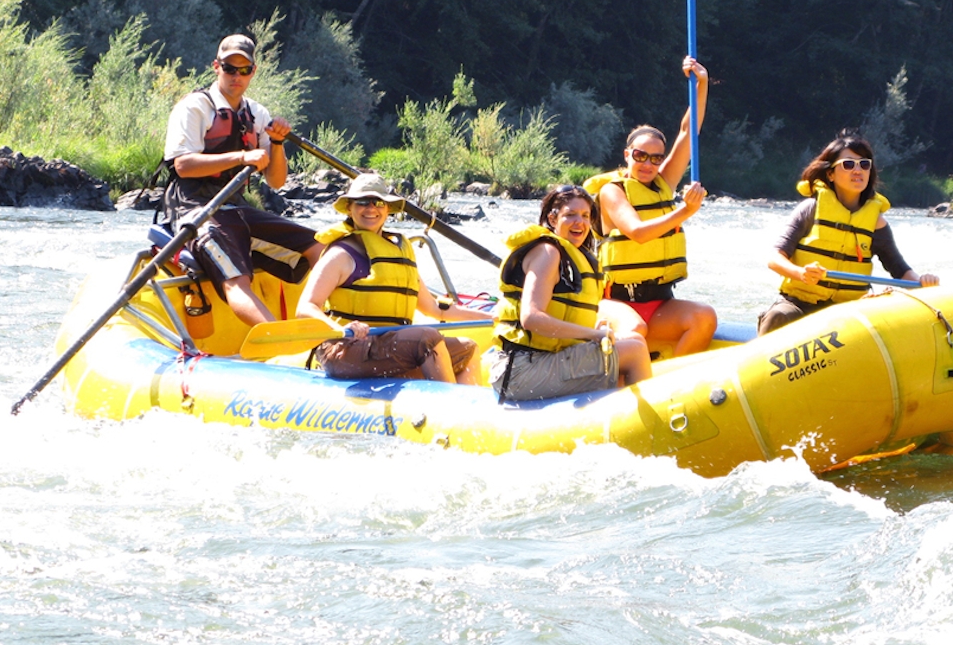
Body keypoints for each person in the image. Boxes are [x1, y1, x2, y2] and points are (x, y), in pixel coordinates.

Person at [163, 34, 323, 326]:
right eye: (229, 68)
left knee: (318, 246)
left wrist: (276, 144)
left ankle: (328, 321)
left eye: (244, 70)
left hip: (235, 204)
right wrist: (240, 157)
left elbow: (276, 181)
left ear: (253, 72)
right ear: (216, 67)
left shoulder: (256, 113)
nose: (237, 76)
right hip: (194, 205)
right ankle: (277, 339)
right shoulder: (195, 107)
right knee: (236, 278)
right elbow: (183, 165)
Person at [295, 173, 484, 384]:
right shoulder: (340, 254)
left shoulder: (397, 253)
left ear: (387, 209)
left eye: (378, 202)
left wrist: (494, 318)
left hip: (385, 347)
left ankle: (472, 413)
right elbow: (306, 307)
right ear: (350, 208)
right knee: (427, 338)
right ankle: (448, 411)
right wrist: (338, 329)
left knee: (467, 348)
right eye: (362, 202)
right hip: (345, 349)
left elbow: (435, 308)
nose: (371, 208)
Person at [584, 56, 716, 358]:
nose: (648, 164)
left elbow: (687, 132)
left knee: (704, 317)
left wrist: (702, 82)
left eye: (656, 158)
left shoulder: (663, 183)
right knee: (636, 331)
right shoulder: (611, 192)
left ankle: (671, 384)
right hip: (615, 301)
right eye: (641, 156)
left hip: (659, 300)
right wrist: (684, 212)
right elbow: (637, 233)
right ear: (628, 154)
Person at [757, 131, 940, 335]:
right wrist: (800, 273)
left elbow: (900, 270)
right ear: (830, 174)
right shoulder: (810, 209)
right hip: (800, 305)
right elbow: (775, 258)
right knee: (778, 316)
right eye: (848, 164)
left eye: (864, 164)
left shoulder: (876, 223)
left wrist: (921, 281)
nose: (857, 170)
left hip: (846, 313)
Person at [490, 185, 652, 402]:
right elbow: (531, 318)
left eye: (586, 216)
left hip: (540, 361)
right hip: (520, 372)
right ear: (553, 218)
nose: (580, 222)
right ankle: (647, 430)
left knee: (634, 339)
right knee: (634, 352)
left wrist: (591, 330)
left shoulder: (569, 255)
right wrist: (591, 335)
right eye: (570, 215)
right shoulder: (547, 253)